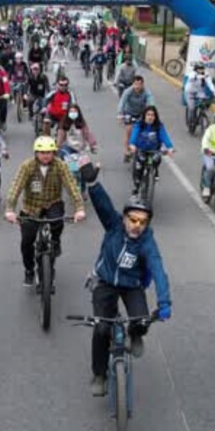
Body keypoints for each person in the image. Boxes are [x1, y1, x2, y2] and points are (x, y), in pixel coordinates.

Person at [73, 161, 171, 396]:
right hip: (104, 282)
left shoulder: (147, 241)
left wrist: (165, 302)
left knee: (141, 320)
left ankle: (135, 334)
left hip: (131, 285)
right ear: (125, 218)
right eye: (132, 219)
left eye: (142, 222)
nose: (136, 226)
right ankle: (99, 374)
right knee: (101, 329)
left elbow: (158, 269)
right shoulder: (114, 226)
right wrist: (92, 182)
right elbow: (103, 204)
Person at [5, 136, 86, 287]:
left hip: (52, 203)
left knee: (57, 224)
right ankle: (29, 270)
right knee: (26, 242)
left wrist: (79, 208)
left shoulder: (60, 165)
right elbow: (16, 187)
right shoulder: (27, 166)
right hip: (31, 207)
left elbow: (72, 186)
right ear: (36, 153)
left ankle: (54, 247)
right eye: (42, 152)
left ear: (54, 152)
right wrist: (10, 209)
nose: (45, 155)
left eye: (49, 152)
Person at [128, 105, 174, 193]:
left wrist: (170, 147)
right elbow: (134, 135)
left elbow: (164, 137)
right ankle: (136, 188)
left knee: (156, 160)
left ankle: (155, 170)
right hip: (141, 150)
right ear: (144, 116)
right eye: (148, 115)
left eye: (152, 115)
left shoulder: (159, 126)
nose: (150, 117)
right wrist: (132, 144)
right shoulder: (139, 125)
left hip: (154, 150)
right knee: (138, 169)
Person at [117, 75, 156, 162]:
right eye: (135, 84)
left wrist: (152, 112)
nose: (137, 86)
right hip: (129, 113)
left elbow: (151, 102)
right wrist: (120, 113)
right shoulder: (128, 92)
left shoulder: (146, 92)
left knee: (144, 131)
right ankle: (127, 151)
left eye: (139, 84)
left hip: (141, 114)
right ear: (133, 84)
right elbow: (122, 102)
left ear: (143, 85)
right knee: (129, 131)